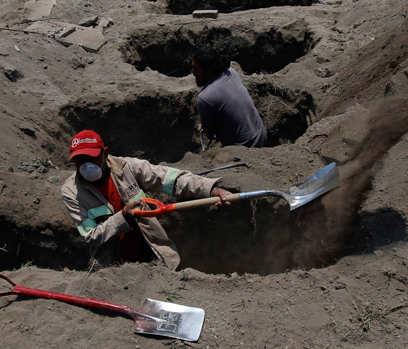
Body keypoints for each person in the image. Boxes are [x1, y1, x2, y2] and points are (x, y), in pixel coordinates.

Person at [62, 130, 232, 270]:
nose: (86, 165)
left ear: (105, 153)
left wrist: (209, 189)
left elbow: (170, 179)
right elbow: (92, 236)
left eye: (91, 158)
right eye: (79, 160)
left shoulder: (127, 168)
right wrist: (124, 215)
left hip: (149, 248)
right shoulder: (71, 191)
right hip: (111, 266)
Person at [192, 46, 267, 149]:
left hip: (245, 148)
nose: (192, 71)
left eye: (196, 69)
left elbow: (210, 134)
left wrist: (206, 126)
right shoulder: (231, 72)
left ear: (209, 71)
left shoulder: (205, 97)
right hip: (261, 135)